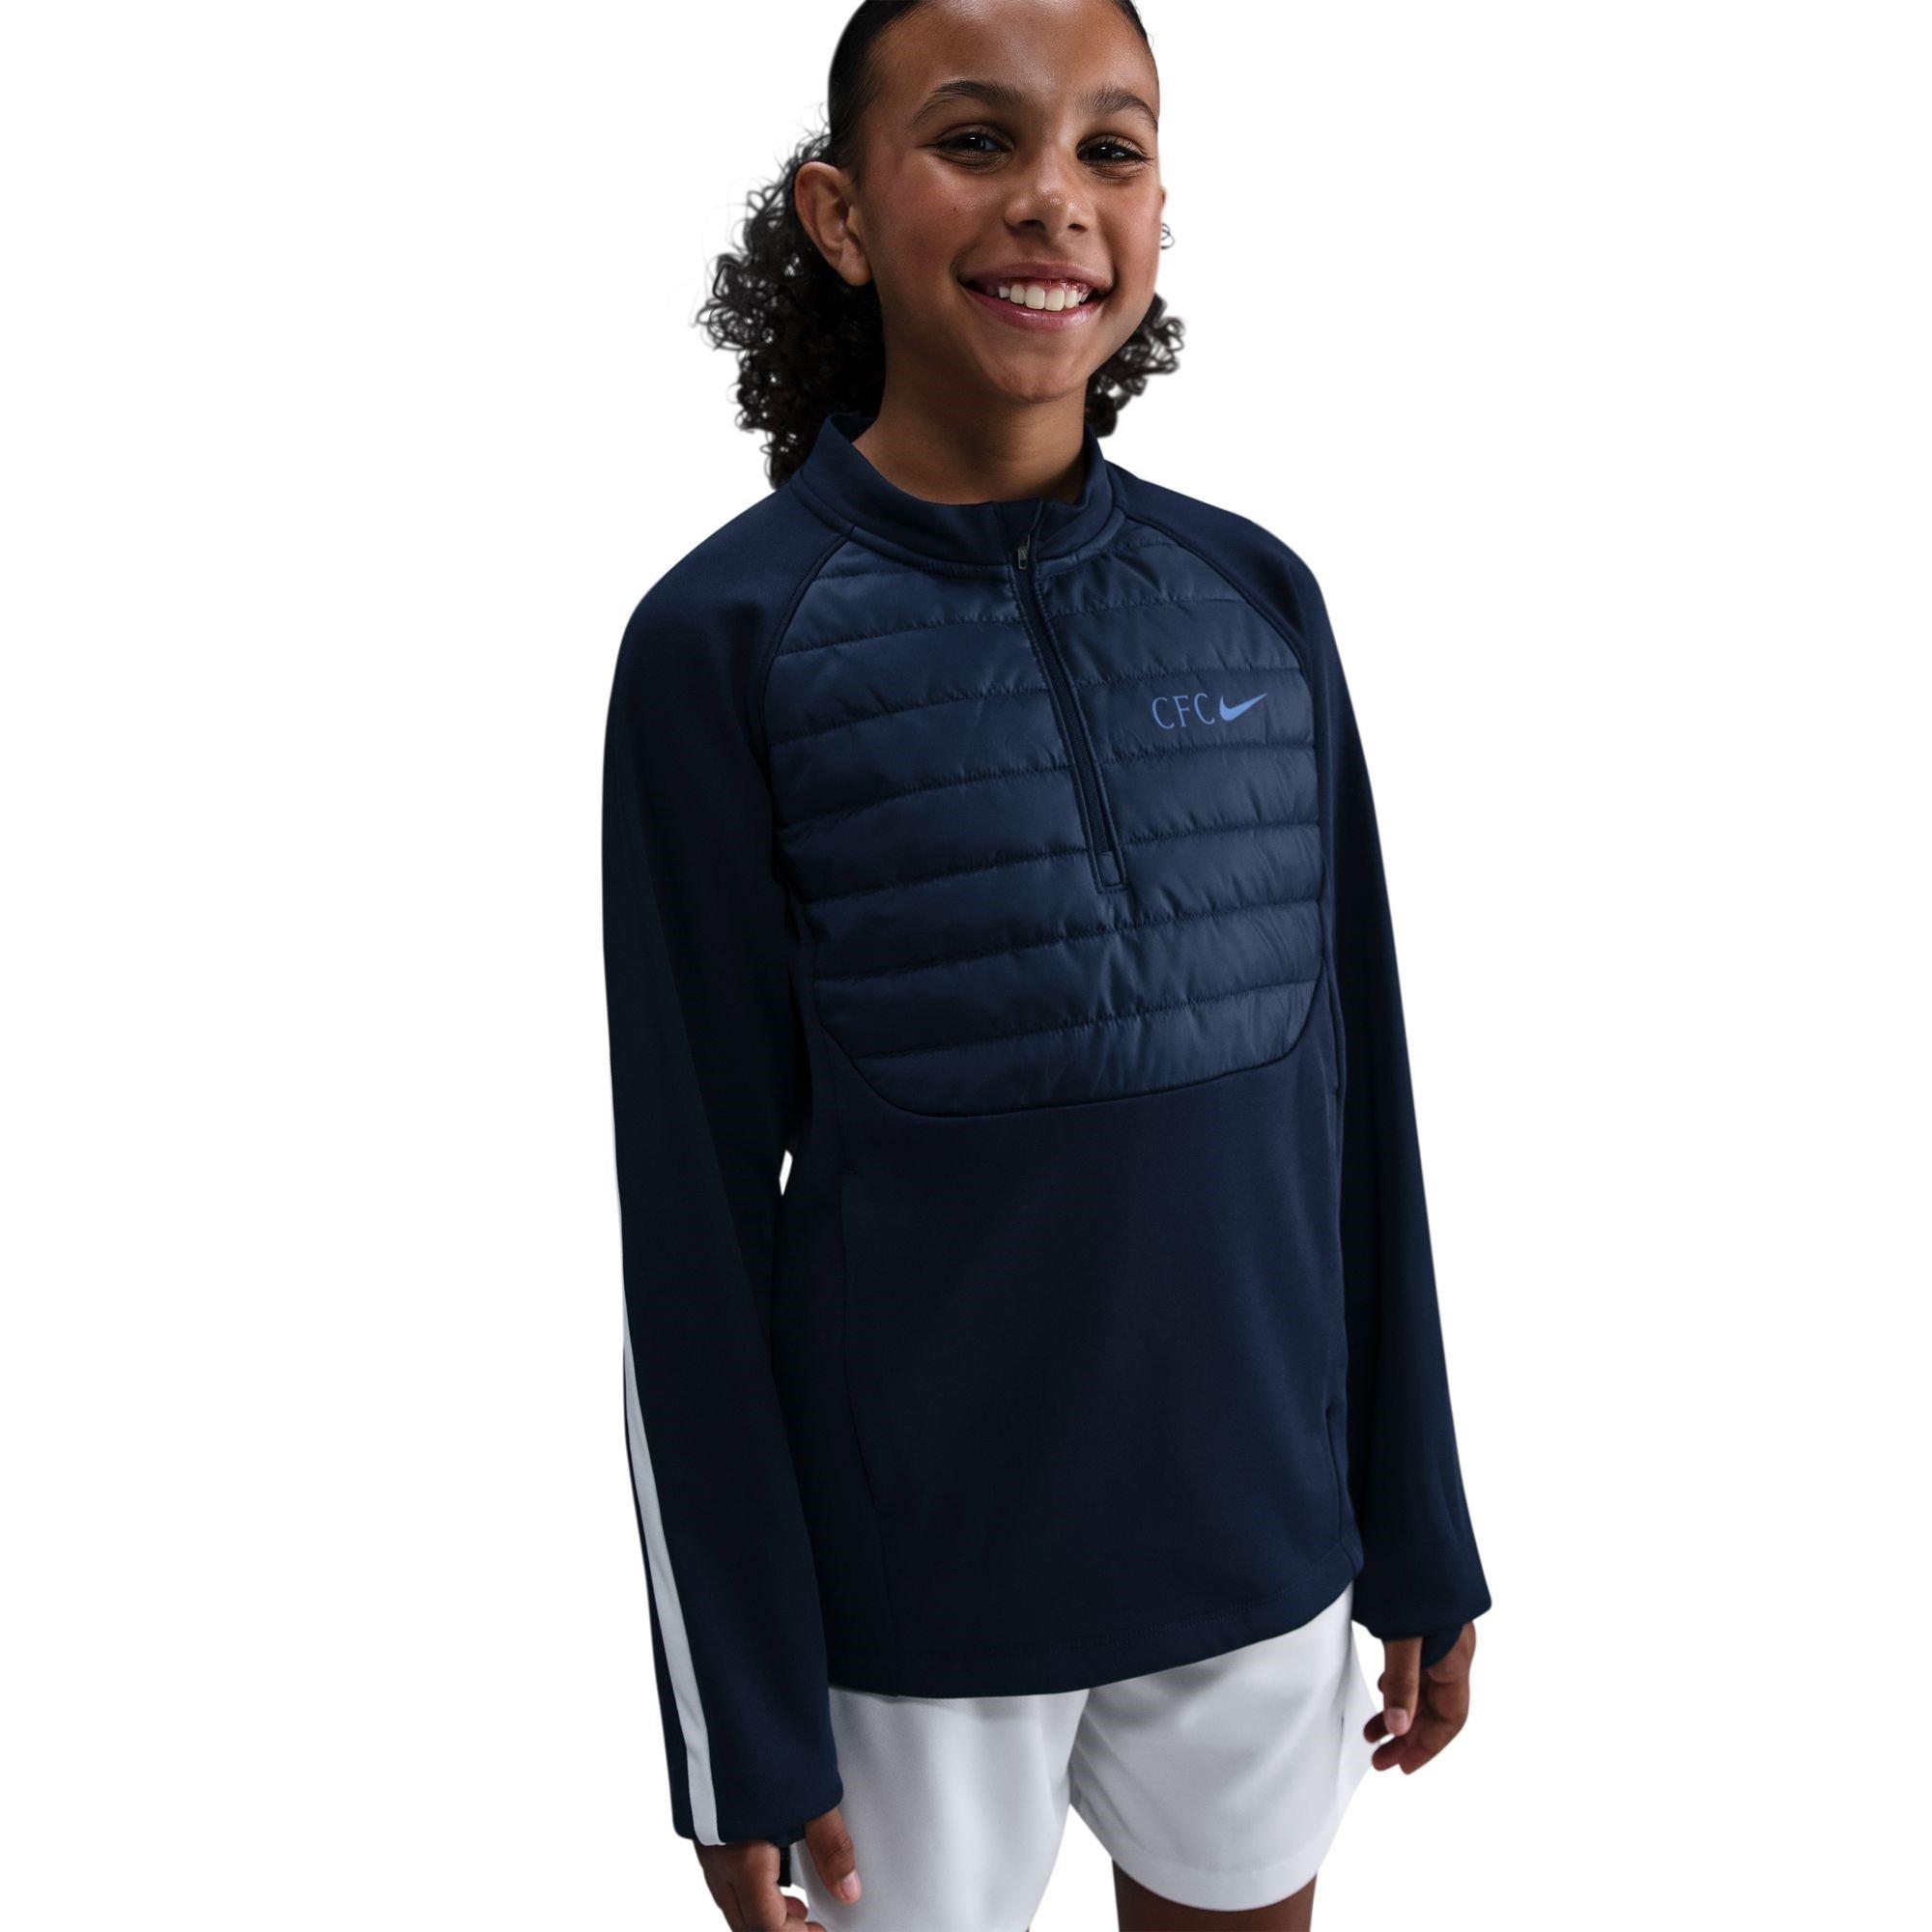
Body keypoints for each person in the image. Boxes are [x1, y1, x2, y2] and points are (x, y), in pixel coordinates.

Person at [600, 3, 1491, 1926]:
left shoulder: (1257, 598)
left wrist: (1416, 1518)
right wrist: (734, 1706)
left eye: (1111, 147)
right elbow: (689, 1221)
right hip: (911, 1614)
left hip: (1258, 1557)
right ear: (839, 214)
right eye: (978, 140)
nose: (1055, 201)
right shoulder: (723, 640)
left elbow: (1360, 1107)